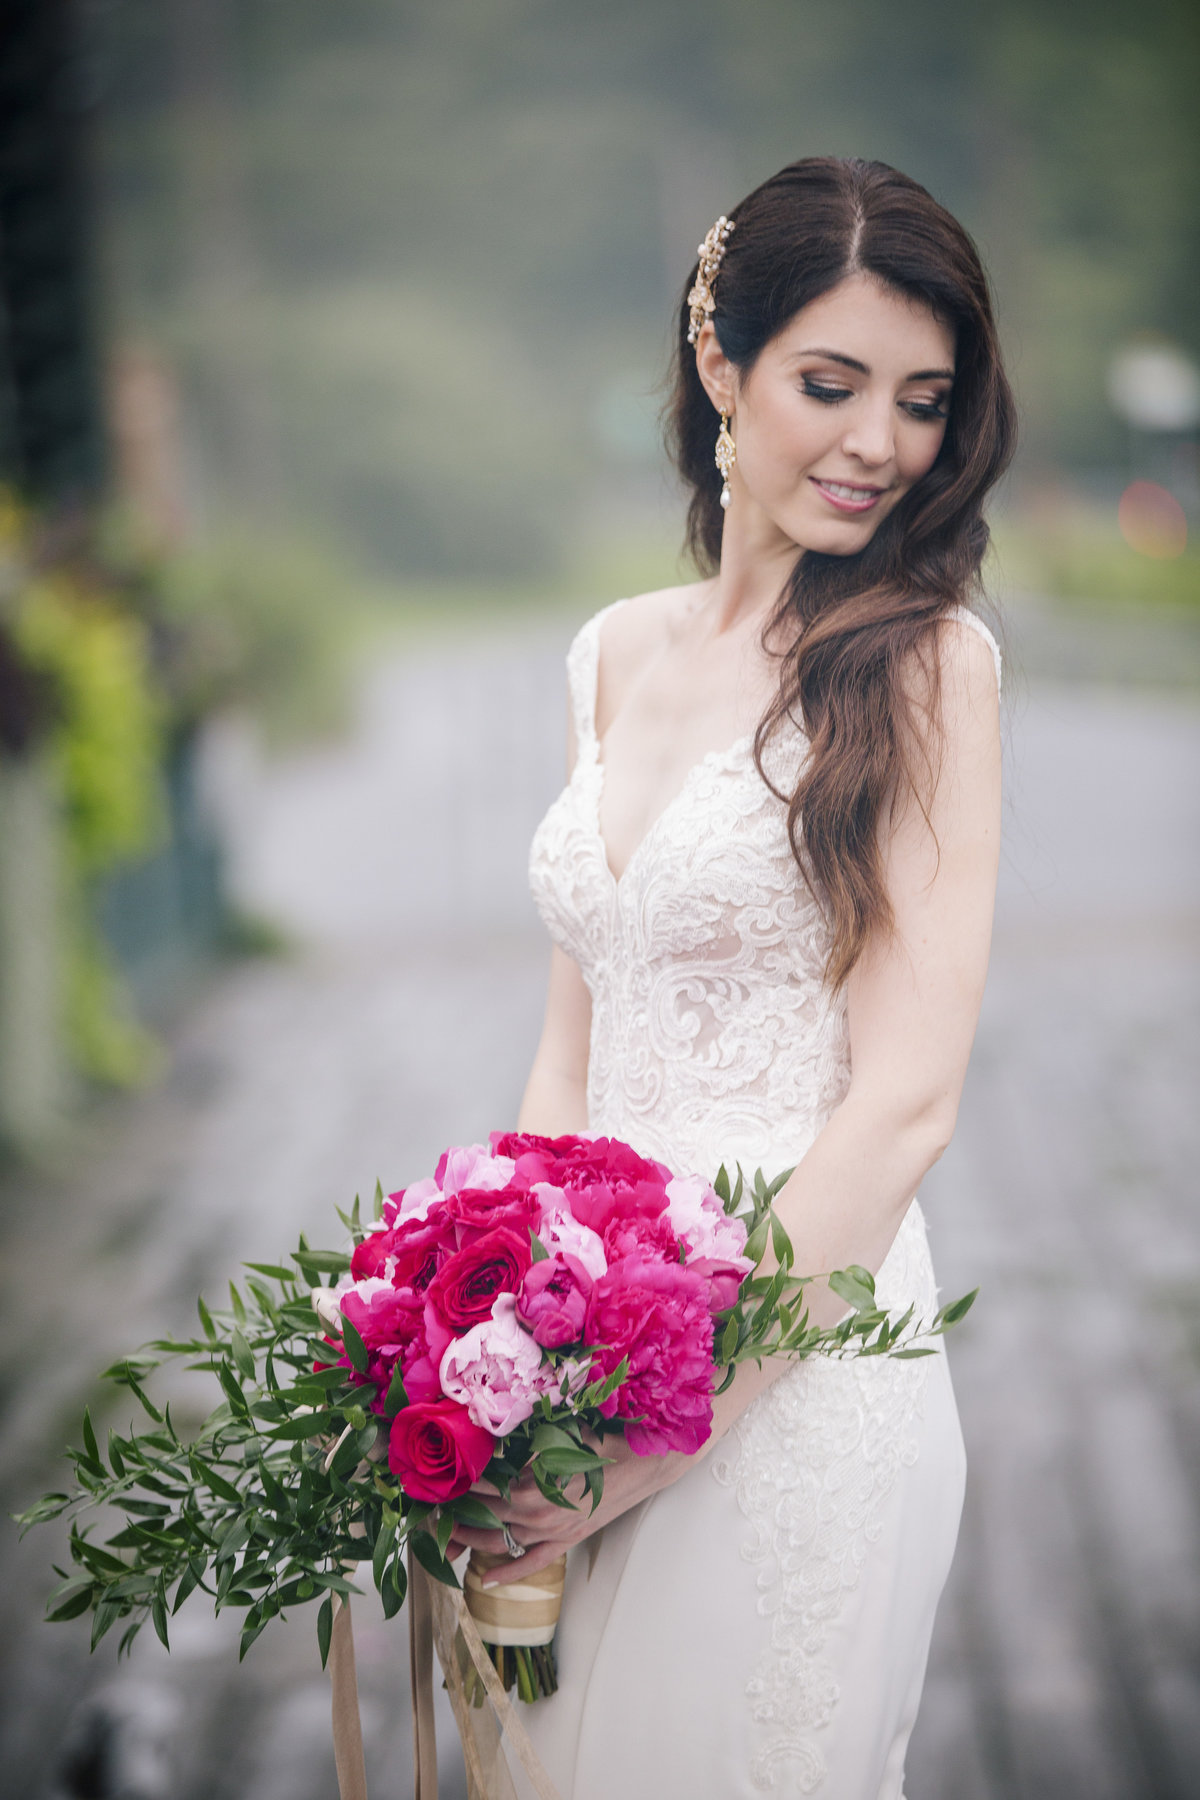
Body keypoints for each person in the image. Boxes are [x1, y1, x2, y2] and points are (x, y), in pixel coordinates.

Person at [447, 154, 1016, 1800]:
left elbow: (904, 1106)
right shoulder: (612, 652)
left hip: (796, 1357)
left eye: (921, 400)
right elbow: (575, 1045)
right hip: (586, 1336)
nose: (879, 444)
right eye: (830, 384)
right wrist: (496, 1337)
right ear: (721, 364)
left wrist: (650, 1444)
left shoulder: (925, 665)